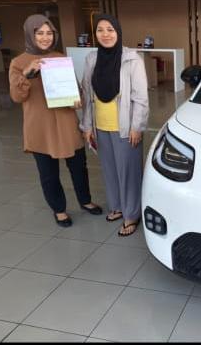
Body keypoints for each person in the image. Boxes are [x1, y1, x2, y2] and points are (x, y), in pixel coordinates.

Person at [9, 14, 103, 227]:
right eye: (40, 33)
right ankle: (59, 209)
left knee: (79, 166)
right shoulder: (18, 63)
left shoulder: (60, 58)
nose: (45, 37)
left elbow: (76, 91)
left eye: (49, 33)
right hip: (40, 126)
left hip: (66, 121)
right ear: (30, 35)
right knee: (48, 173)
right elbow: (17, 97)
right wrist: (27, 74)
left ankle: (85, 200)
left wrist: (76, 98)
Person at [80, 14, 149, 237]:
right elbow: (87, 93)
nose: (105, 34)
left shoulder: (132, 59)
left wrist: (137, 126)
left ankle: (132, 214)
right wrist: (87, 126)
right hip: (101, 126)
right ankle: (117, 206)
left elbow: (141, 97)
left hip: (125, 127)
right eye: (100, 30)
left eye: (110, 29)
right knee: (109, 170)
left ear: (118, 32)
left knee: (128, 172)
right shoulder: (92, 58)